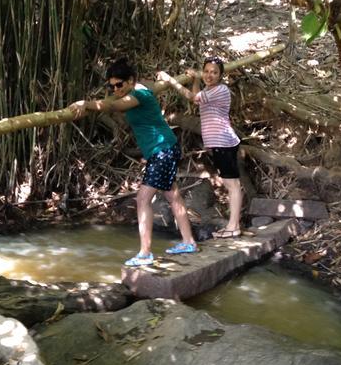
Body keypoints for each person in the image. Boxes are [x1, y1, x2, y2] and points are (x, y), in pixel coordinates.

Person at [71, 58, 197, 267]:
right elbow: (128, 91)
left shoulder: (138, 94)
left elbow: (114, 105)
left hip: (162, 151)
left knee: (142, 200)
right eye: (112, 86)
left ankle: (145, 253)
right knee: (172, 195)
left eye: (119, 85)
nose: (116, 89)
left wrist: (86, 104)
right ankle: (188, 242)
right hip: (165, 148)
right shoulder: (136, 87)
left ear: (130, 81)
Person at [156, 56, 242, 239]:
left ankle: (234, 226)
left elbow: (191, 96)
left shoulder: (221, 90)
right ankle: (233, 225)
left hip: (224, 142)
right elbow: (197, 100)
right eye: (207, 71)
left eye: (214, 72)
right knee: (231, 183)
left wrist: (169, 79)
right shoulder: (209, 90)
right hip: (220, 144)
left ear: (220, 75)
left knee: (232, 184)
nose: (210, 75)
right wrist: (195, 80)